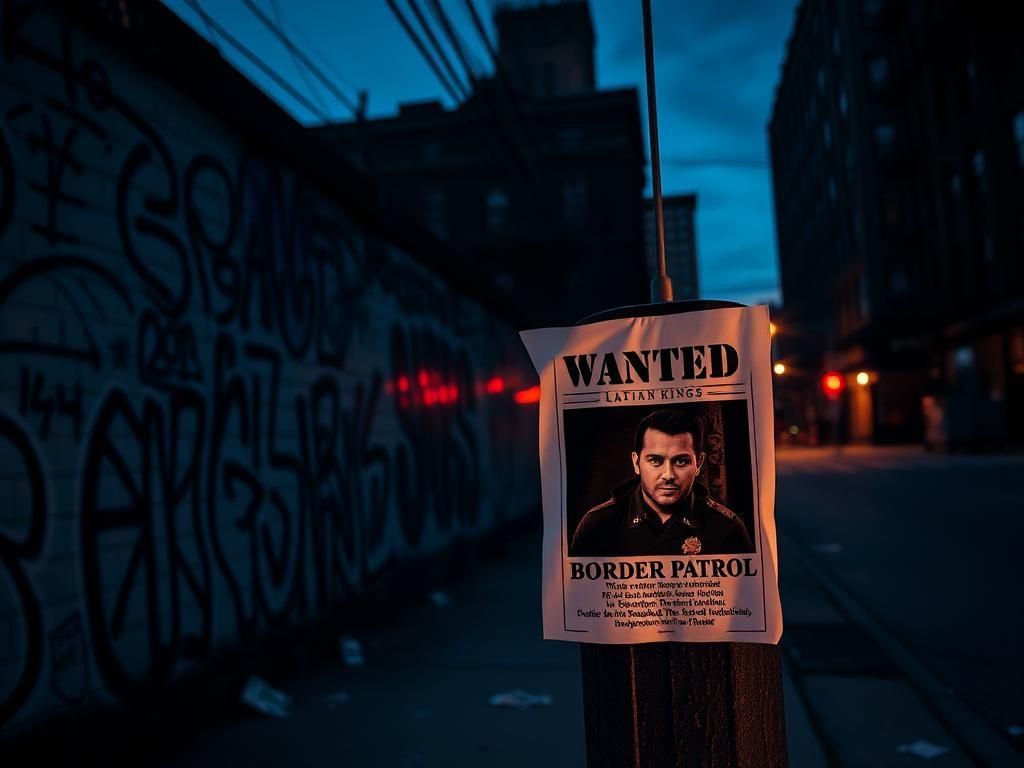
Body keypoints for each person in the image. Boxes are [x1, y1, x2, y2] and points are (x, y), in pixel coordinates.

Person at [570, 410, 753, 557]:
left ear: (699, 464)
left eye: (681, 461)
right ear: (636, 462)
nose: (668, 475)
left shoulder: (727, 528)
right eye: (656, 461)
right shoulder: (597, 524)